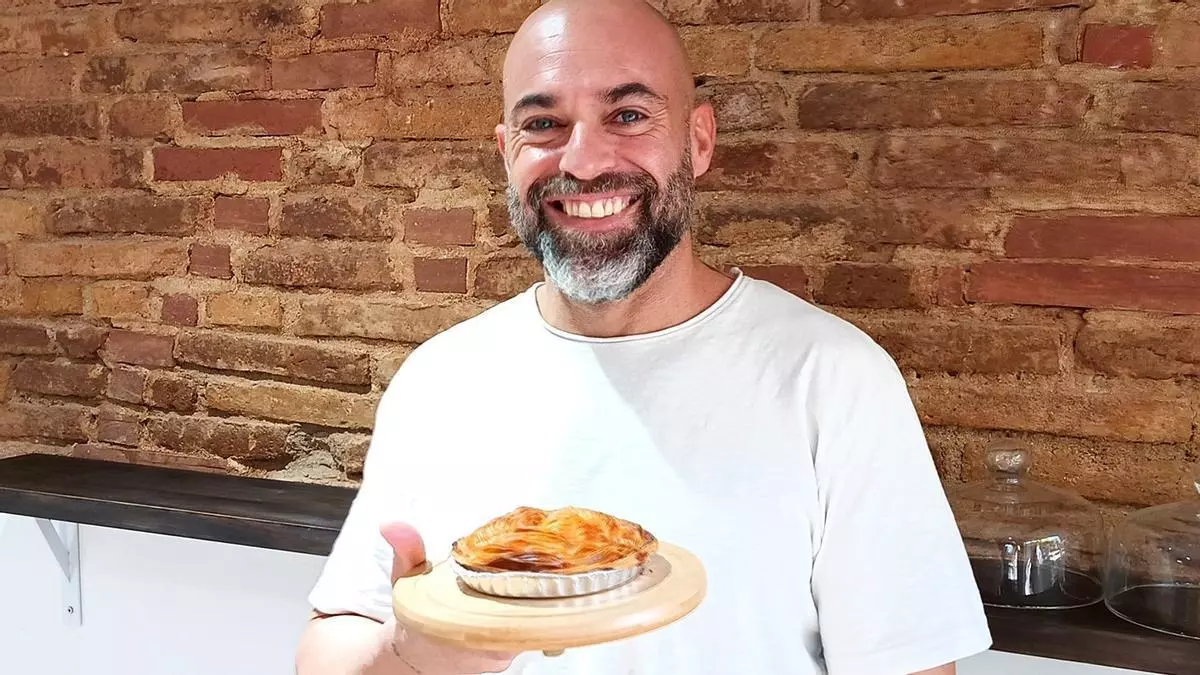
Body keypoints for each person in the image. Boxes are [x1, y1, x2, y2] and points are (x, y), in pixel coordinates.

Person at [294, 0, 993, 673]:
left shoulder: (833, 378)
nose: (583, 162)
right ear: (507, 152)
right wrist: (415, 657)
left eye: (627, 115)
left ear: (698, 140)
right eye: (544, 124)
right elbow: (333, 641)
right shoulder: (440, 378)